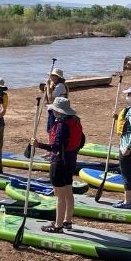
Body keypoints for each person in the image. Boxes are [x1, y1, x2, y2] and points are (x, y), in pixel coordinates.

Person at [35, 96, 83, 231]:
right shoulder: (75, 122)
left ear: (59, 111)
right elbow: (82, 141)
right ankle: (67, 221)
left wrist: (39, 145)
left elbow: (56, 146)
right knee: (68, 191)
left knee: (59, 195)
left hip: (60, 163)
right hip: (70, 161)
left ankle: (58, 225)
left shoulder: (62, 125)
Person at [43, 68, 68, 133]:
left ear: (57, 77)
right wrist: (46, 89)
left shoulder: (60, 85)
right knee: (49, 129)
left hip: (58, 110)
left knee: (53, 129)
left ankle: (53, 142)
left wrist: (48, 87)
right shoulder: (54, 85)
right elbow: (47, 100)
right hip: (53, 109)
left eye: (52, 75)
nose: (50, 76)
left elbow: (51, 99)